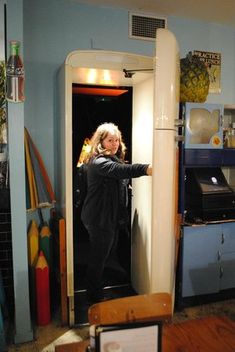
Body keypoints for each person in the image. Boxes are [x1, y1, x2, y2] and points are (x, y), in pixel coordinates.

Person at [81, 122, 152, 303]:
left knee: (107, 252)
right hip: (98, 218)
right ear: (101, 142)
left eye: (117, 140)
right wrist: (146, 168)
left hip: (108, 217)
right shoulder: (99, 162)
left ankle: (105, 284)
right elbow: (119, 171)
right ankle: (94, 297)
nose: (114, 144)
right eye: (110, 140)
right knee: (99, 256)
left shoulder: (113, 159)